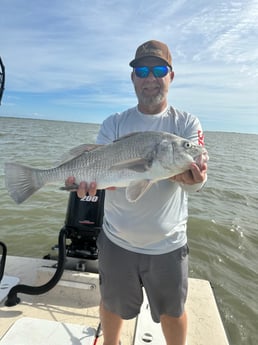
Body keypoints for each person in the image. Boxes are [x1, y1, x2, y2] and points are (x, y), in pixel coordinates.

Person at [66, 40, 208, 345]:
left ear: (171, 76)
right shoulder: (114, 123)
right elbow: (102, 172)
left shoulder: (185, 124)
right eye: (142, 70)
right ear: (133, 78)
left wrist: (190, 173)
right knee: (111, 304)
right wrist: (85, 186)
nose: (150, 77)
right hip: (117, 240)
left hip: (168, 244)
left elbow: (195, 179)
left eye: (159, 70)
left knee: (173, 310)